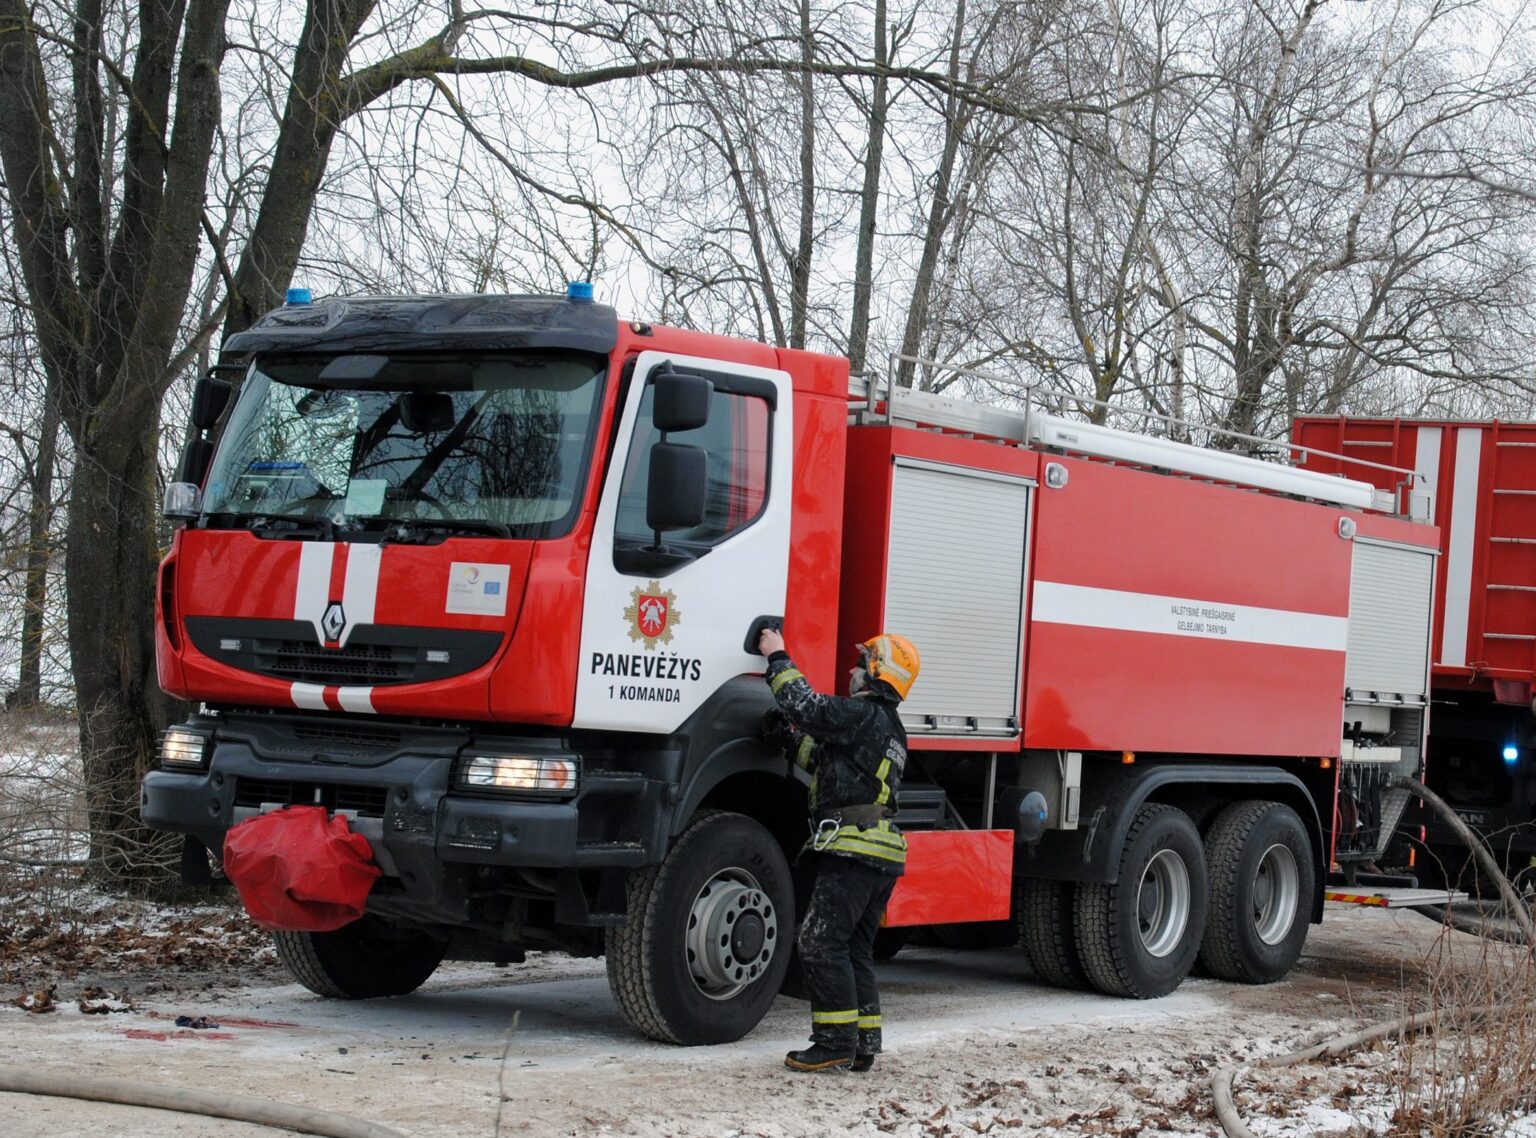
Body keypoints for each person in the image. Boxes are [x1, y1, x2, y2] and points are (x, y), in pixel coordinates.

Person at [757, 626, 920, 1073]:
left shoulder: (862, 715)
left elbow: (806, 707)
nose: (851, 670)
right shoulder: (889, 729)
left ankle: (832, 1042)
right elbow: (831, 764)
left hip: (854, 850)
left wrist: (776, 657)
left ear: (875, 674)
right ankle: (863, 1043)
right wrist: (787, 741)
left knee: (819, 941)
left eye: (860, 663)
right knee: (853, 950)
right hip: (880, 854)